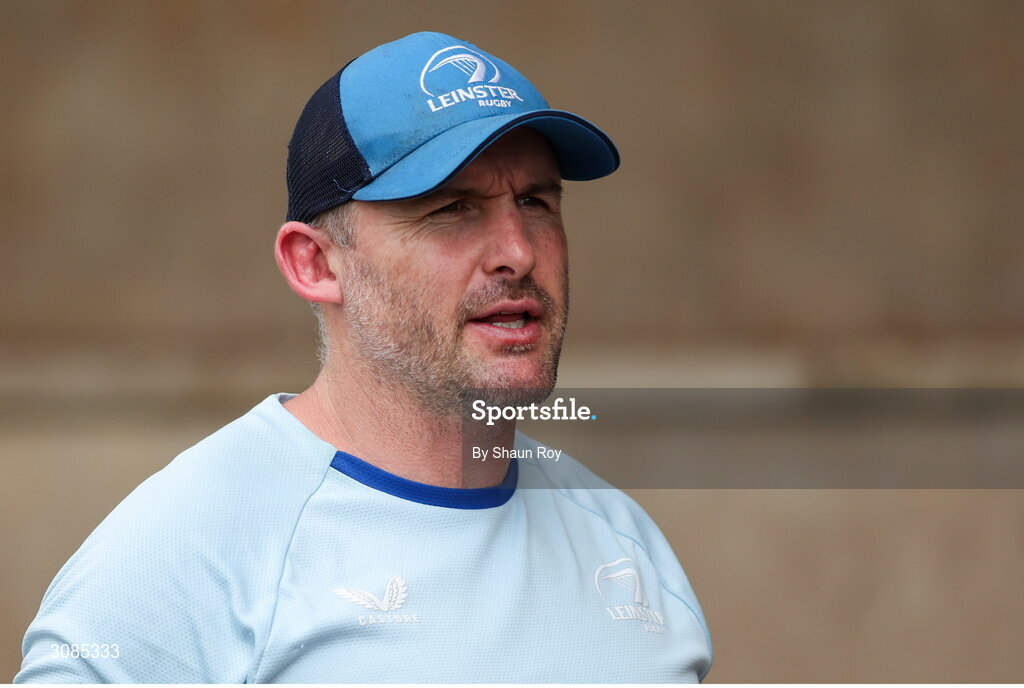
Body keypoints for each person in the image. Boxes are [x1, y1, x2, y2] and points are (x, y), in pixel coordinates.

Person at [16, 32, 712, 683]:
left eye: (535, 201)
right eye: (451, 209)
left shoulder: (626, 548)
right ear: (316, 264)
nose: (519, 252)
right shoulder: (183, 556)